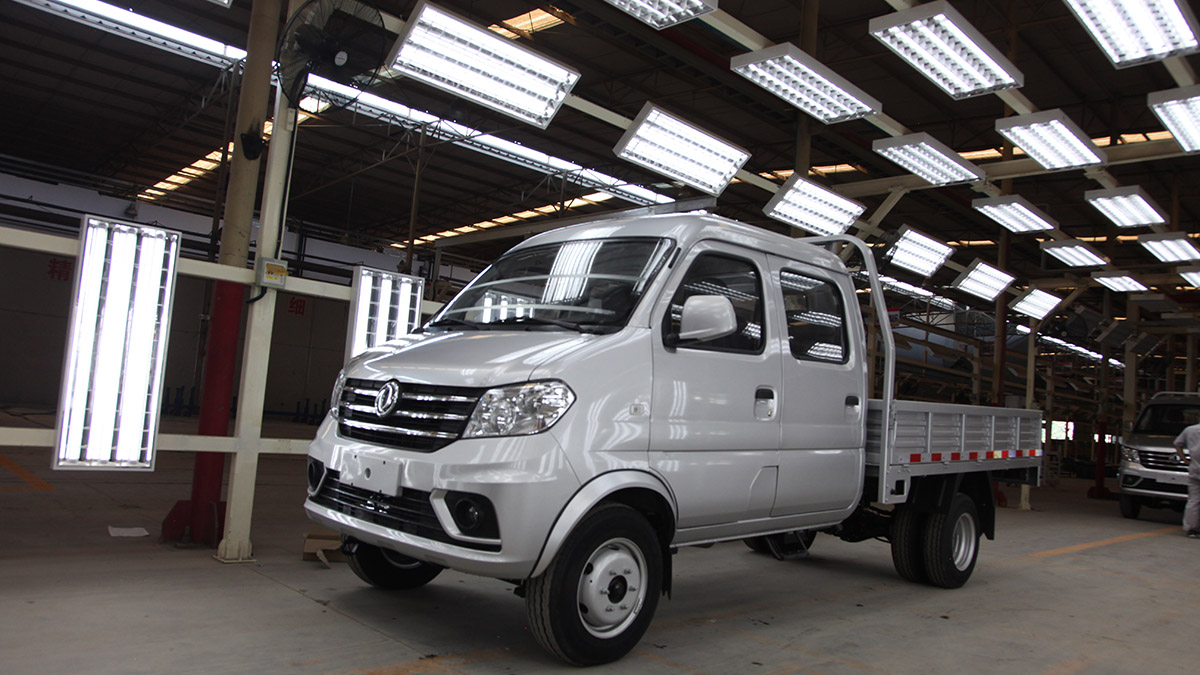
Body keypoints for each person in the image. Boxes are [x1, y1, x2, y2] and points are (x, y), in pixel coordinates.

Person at [1173, 414, 1200, 538]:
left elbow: (1177, 444)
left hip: (1195, 468)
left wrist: (1184, 459)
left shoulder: (1189, 430)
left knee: (1194, 500)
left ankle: (1191, 529)